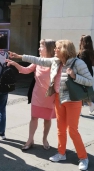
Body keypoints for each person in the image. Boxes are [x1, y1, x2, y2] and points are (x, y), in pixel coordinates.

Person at [9, 40, 92, 171]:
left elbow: (90, 81)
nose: (55, 50)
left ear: (64, 50)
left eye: (57, 48)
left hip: (73, 100)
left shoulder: (78, 63)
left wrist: (74, 76)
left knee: (72, 130)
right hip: (59, 98)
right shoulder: (56, 61)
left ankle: (83, 158)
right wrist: (19, 57)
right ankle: (61, 153)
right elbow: (38, 60)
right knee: (60, 128)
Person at [6, 39, 56, 150]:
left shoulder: (55, 62)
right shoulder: (37, 61)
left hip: (50, 96)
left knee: (47, 119)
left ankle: (44, 139)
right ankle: (30, 139)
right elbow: (25, 70)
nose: (39, 48)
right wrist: (15, 63)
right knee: (34, 118)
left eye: (41, 46)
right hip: (37, 95)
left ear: (48, 48)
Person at [77, 35, 94, 114]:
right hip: (89, 73)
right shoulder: (91, 51)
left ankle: (87, 105)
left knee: (80, 90)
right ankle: (90, 104)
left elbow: (81, 64)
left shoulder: (83, 52)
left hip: (83, 73)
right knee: (83, 90)